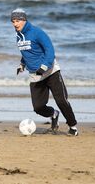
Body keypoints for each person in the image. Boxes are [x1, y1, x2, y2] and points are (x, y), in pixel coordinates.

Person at [11, 8, 79, 136]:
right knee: (38, 107)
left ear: (24, 20)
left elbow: (50, 51)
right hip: (35, 75)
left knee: (61, 101)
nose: (15, 24)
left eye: (18, 20)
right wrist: (22, 64)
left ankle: (73, 126)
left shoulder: (37, 32)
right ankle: (54, 114)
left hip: (51, 72)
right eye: (13, 21)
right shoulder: (18, 36)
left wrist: (44, 66)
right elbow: (27, 53)